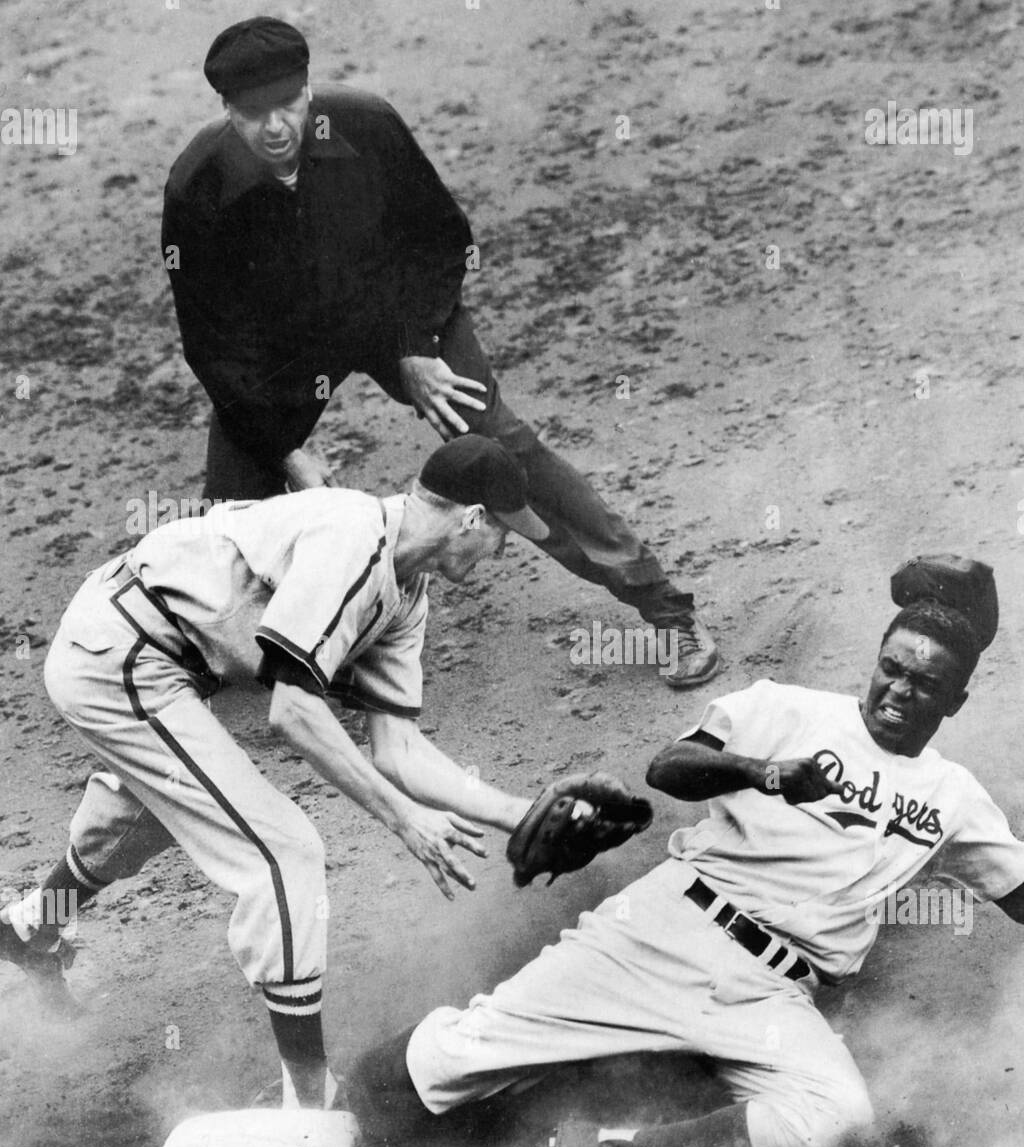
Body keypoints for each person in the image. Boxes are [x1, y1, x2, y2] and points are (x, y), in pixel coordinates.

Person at [344, 595, 1024, 1147]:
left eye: (924, 682)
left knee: (836, 1120)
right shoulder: (787, 708)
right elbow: (671, 767)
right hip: (661, 930)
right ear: (876, 661)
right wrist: (762, 773)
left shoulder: (955, 797)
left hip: (775, 991)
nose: (898, 689)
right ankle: (326, 1113)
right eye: (891, 668)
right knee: (448, 1064)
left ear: (955, 700)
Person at [160, 15, 719, 688]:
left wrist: (412, 349)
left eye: (288, 104)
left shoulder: (365, 125)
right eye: (253, 114)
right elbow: (217, 343)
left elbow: (439, 242)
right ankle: (226, 647)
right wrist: (283, 448)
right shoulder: (199, 186)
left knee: (497, 439)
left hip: (400, 314)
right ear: (226, 110)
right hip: (286, 350)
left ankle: (665, 609)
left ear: (309, 90)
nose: (275, 127)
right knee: (231, 518)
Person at [0, 438, 558, 1110]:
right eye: (502, 536)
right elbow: (293, 714)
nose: (500, 553)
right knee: (282, 853)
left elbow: (398, 748)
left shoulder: (408, 597)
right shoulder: (352, 537)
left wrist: (520, 814)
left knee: (150, 811)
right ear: (471, 519)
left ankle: (33, 927)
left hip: (182, 661)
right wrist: (405, 822)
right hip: (119, 653)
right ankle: (310, 1098)